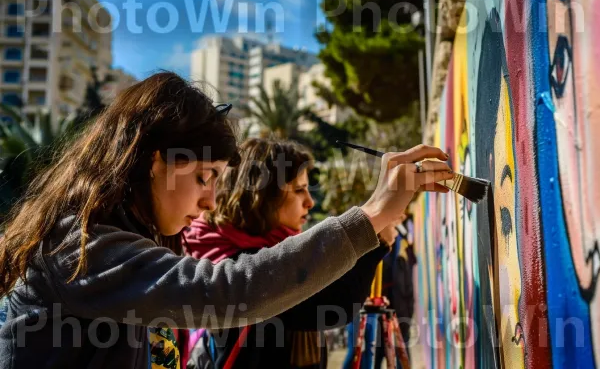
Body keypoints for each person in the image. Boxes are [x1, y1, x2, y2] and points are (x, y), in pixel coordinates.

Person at [0, 71, 453, 368]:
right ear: (155, 161)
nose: (210, 200)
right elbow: (224, 291)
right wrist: (372, 215)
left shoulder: (115, 238)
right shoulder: (81, 247)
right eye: (203, 177)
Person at [182, 138, 401, 369]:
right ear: (262, 196)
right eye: (299, 190)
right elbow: (335, 305)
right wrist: (376, 238)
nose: (309, 202)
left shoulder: (244, 253)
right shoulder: (241, 265)